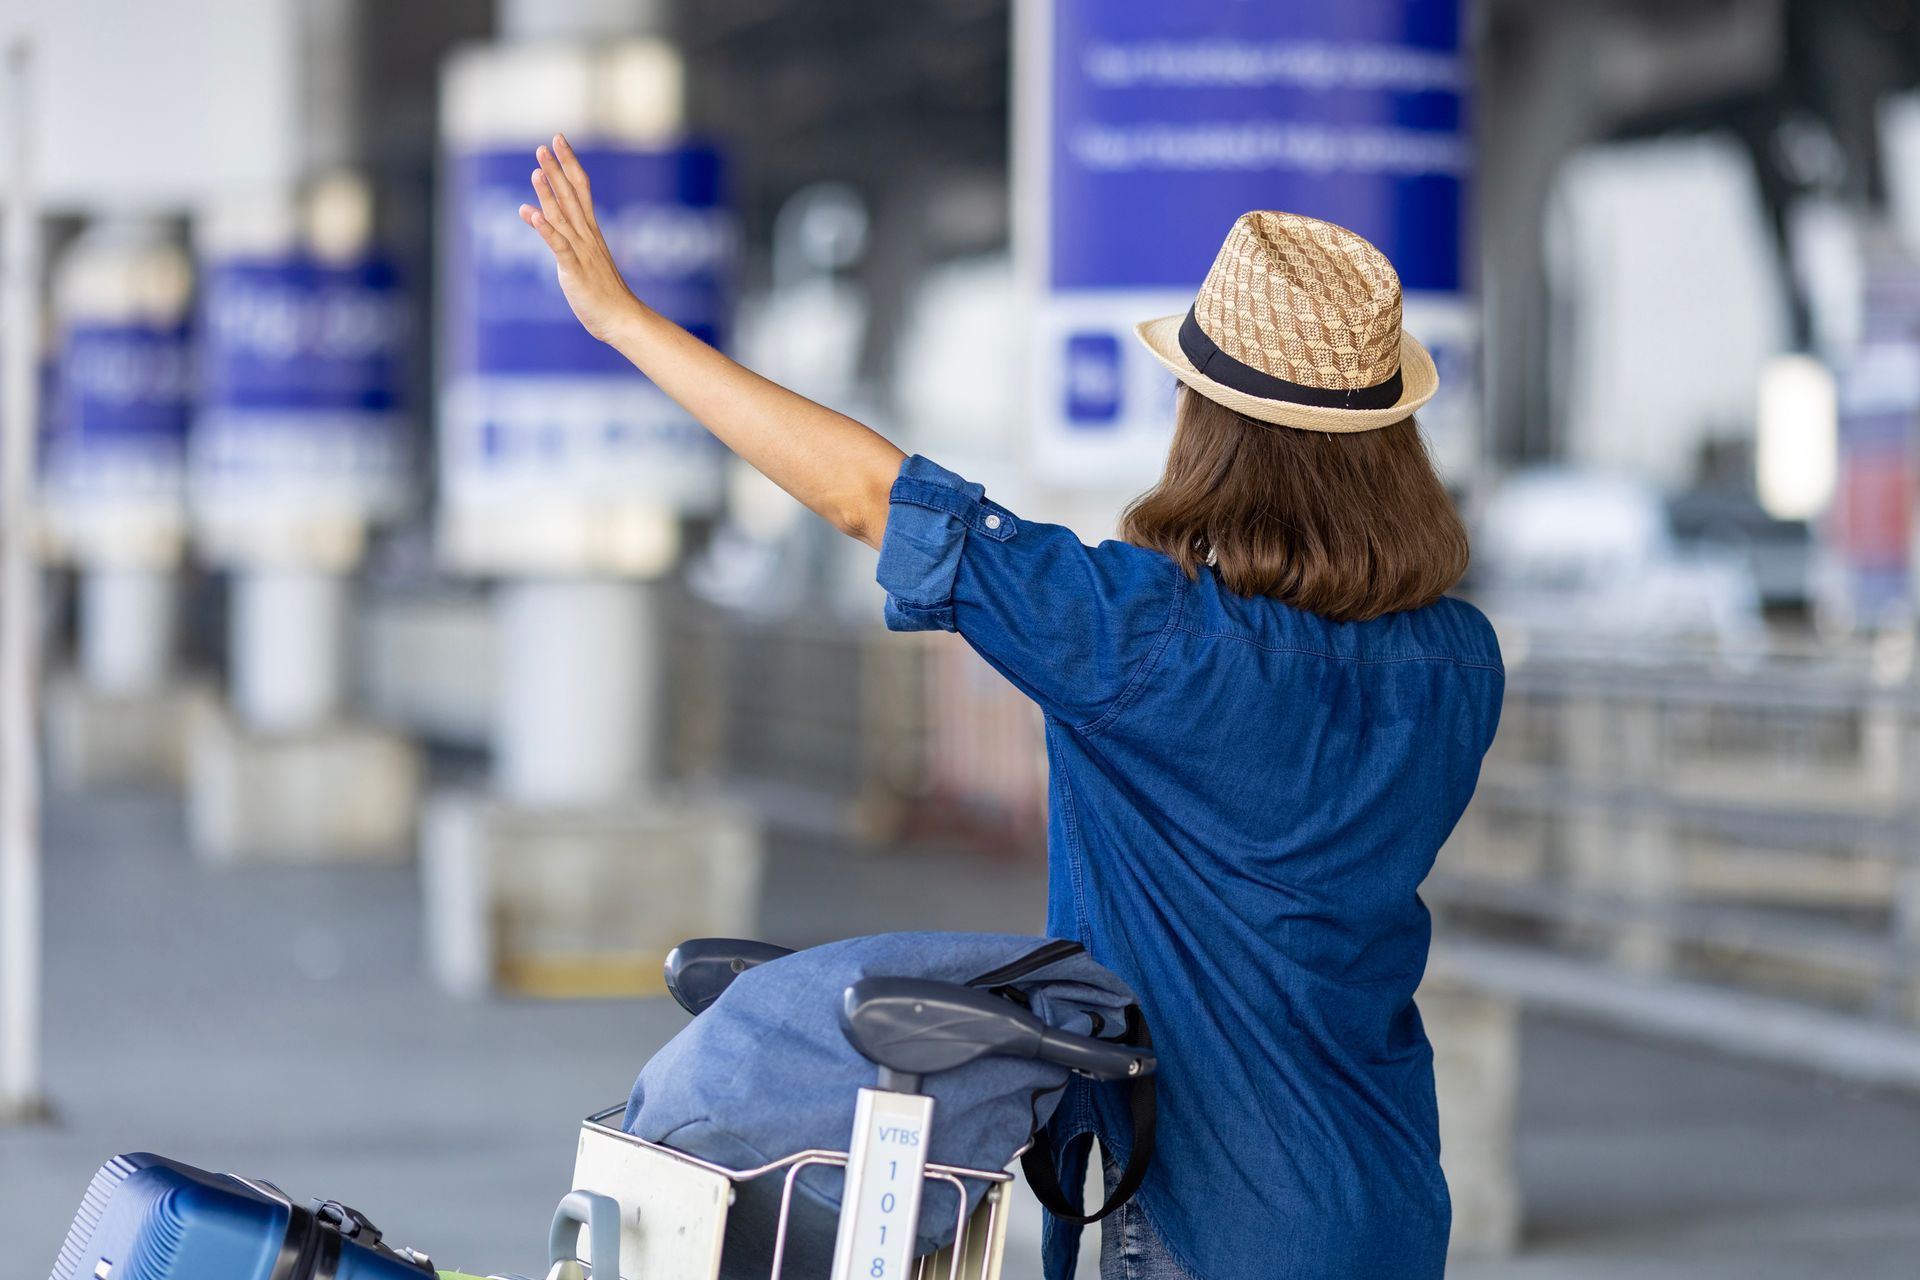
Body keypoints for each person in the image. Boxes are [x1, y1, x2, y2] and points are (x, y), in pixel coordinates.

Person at [520, 135, 1503, 1280]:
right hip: (1386, 1192)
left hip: (1218, 1212)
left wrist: (626, 322)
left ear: (1213, 431)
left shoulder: (1155, 640)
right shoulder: (1458, 663)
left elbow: (870, 499)